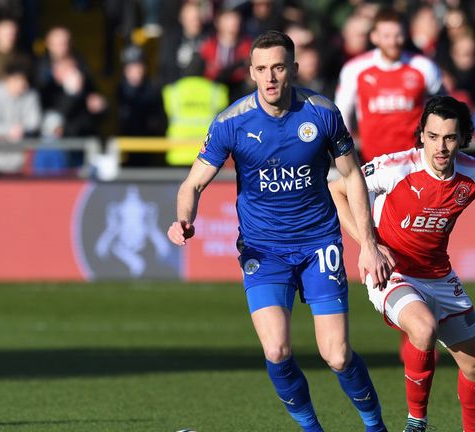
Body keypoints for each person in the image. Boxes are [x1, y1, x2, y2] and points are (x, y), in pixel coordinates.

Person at [166, 30, 390, 432]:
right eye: (262, 69)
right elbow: (192, 184)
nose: (270, 77)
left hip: (319, 242)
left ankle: (375, 427)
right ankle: (312, 430)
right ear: (251, 72)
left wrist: (368, 244)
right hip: (263, 250)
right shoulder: (231, 123)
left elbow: (353, 176)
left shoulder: (321, 112)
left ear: (293, 69)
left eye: (278, 67)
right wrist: (184, 219)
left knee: (337, 355)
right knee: (276, 349)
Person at [329, 96, 475, 432]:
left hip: (440, 276)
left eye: (450, 138)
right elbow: (338, 190)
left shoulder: (472, 173)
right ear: (421, 134)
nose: (441, 146)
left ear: (462, 138)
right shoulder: (395, 167)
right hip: (393, 273)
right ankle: (416, 421)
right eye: (433, 136)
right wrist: (369, 246)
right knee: (423, 329)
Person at [335, 7, 443, 163]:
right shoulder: (355, 69)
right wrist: (346, 156)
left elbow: (442, 109)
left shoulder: (424, 67)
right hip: (373, 162)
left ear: (405, 34)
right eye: (386, 36)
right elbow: (342, 112)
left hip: (415, 161)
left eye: (398, 35)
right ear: (374, 37)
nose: (393, 42)